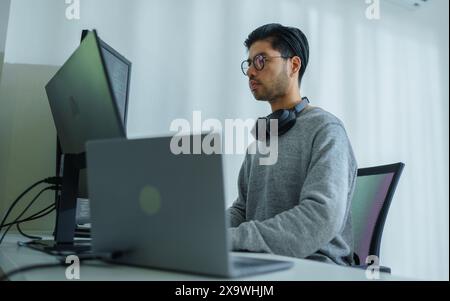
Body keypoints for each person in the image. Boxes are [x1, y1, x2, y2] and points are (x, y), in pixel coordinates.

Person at [227, 23, 358, 266]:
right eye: (249, 64)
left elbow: (322, 215)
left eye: (261, 60)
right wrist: (207, 233)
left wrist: (233, 239)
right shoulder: (261, 141)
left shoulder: (326, 130)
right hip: (264, 261)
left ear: (293, 65)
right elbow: (242, 210)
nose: (251, 72)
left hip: (315, 265)